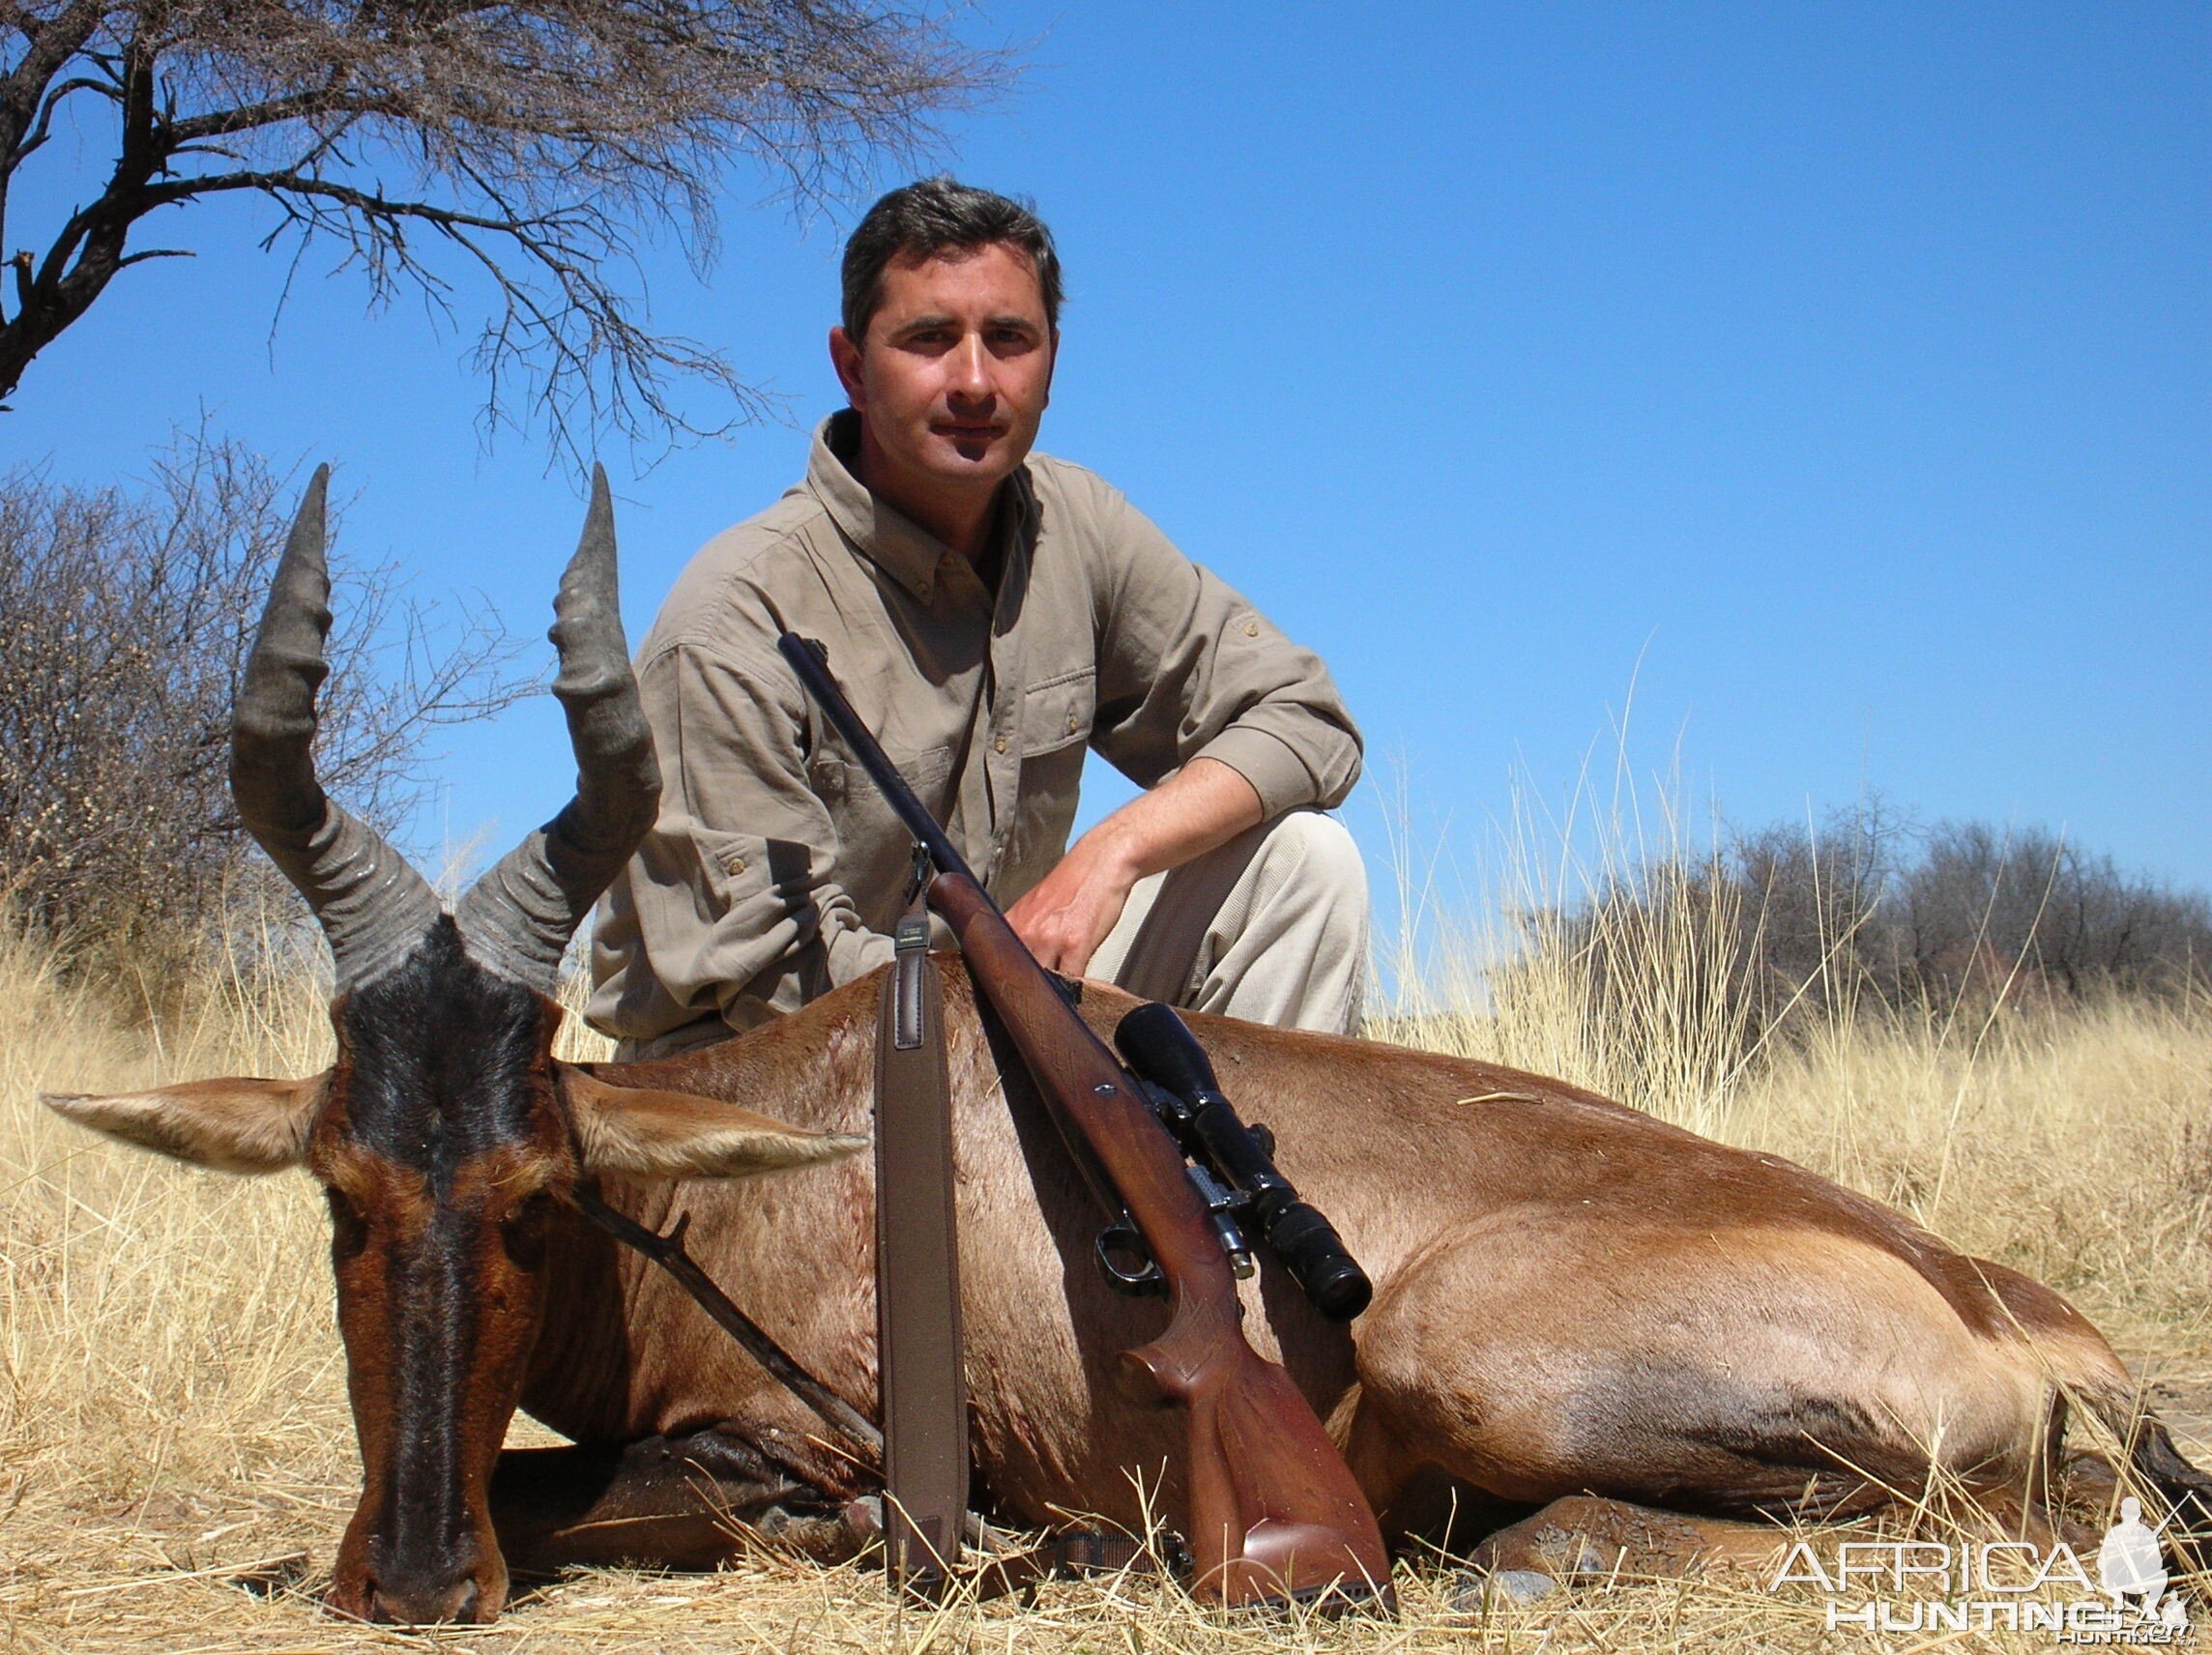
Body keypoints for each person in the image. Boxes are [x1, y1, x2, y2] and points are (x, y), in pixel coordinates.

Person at [589, 179, 1367, 1059]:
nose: (973, 380)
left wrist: (1109, 854)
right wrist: (1057, 1029)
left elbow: (1308, 718)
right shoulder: (732, 618)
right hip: (785, 1078)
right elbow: (774, 981)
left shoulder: (1079, 527)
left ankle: (1222, 1194)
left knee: (1306, 863)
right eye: (928, 339)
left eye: (1008, 340)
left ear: (1052, 362)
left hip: (1010, 1019)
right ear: (851, 367)